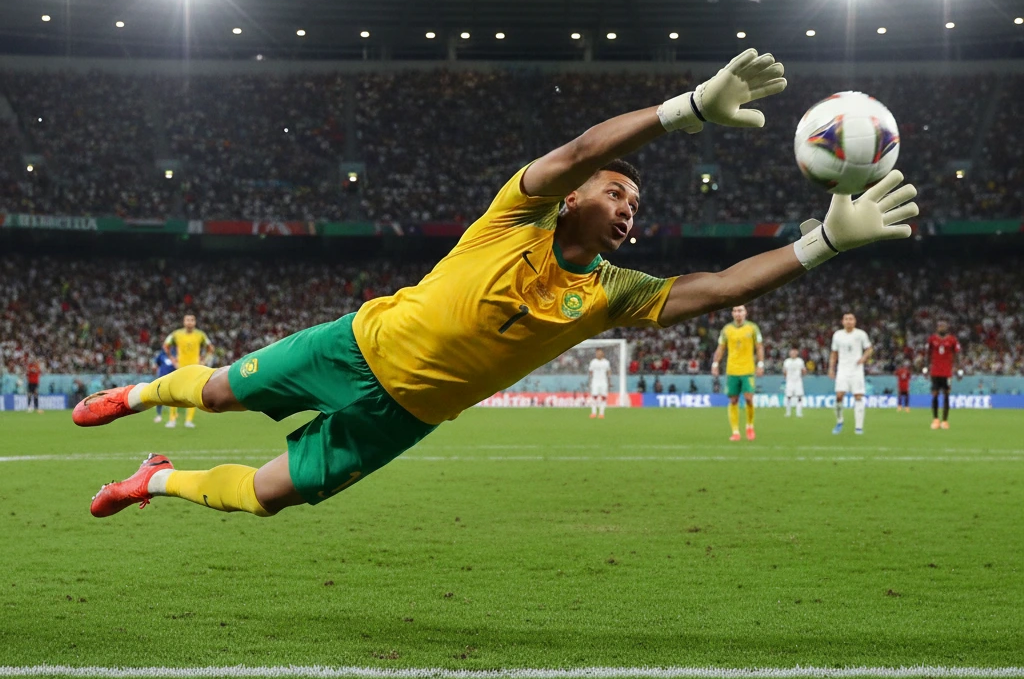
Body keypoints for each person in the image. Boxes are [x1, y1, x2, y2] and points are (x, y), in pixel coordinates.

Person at [73, 48, 918, 520]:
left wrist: (823, 244)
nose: (628, 207)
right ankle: (143, 391)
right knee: (218, 393)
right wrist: (688, 108)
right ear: (579, 196)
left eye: (639, 203)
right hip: (358, 347)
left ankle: (154, 480)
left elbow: (718, 284)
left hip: (402, 417)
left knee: (263, 498)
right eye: (618, 192)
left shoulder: (613, 292)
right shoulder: (515, 218)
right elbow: (582, 150)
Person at [711, 304, 764, 441]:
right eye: (734, 310)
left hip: (747, 370)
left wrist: (761, 363)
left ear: (745, 312)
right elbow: (720, 348)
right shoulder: (727, 329)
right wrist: (715, 363)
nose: (737, 313)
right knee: (733, 400)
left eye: (740, 310)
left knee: (749, 399)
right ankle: (735, 432)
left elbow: (759, 347)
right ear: (732, 314)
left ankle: (749, 426)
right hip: (732, 370)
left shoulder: (752, 328)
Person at [162, 314, 214, 428]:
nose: (189, 322)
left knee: (192, 394)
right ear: (183, 321)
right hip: (180, 367)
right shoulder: (176, 334)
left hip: (195, 369)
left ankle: (188, 420)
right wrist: (172, 359)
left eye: (192, 320)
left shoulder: (200, 335)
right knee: (174, 394)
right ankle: (172, 419)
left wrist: (204, 360)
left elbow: (211, 348)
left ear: (195, 322)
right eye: (187, 320)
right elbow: (166, 345)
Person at [829, 312, 872, 435]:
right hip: (842, 370)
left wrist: (864, 358)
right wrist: (831, 368)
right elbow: (834, 353)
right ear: (842, 321)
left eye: (851, 319)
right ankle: (839, 421)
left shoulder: (860, 334)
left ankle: (859, 427)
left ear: (855, 321)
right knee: (839, 396)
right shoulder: (837, 335)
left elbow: (869, 348)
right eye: (846, 319)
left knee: (858, 396)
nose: (848, 321)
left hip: (856, 370)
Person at [924, 319, 960, 430]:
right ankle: (935, 419)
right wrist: (925, 367)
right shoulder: (932, 339)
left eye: (943, 326)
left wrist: (958, 368)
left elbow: (956, 355)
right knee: (935, 394)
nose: (941, 328)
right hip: (935, 371)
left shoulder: (952, 340)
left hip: (947, 372)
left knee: (946, 395)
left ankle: (945, 420)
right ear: (937, 327)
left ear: (947, 327)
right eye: (940, 326)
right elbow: (928, 354)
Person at [150, 346, 177, 424]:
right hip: (161, 380)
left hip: (172, 380)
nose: (166, 349)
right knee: (159, 397)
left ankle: (173, 416)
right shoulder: (161, 355)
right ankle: (159, 415)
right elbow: (156, 364)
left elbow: (177, 366)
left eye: (168, 347)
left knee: (173, 398)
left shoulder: (174, 355)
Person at [782, 347, 806, 418]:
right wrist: (787, 378)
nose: (792, 354)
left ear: (797, 353)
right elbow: (784, 371)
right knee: (788, 396)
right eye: (791, 352)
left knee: (799, 396)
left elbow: (803, 370)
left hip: (798, 381)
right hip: (789, 381)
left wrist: (800, 377)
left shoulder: (800, 361)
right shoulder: (787, 361)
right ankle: (788, 412)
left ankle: (799, 412)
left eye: (794, 352)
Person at [588, 347, 611, 419]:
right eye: (597, 353)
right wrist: (591, 380)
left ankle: (601, 413)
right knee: (594, 397)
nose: (598, 354)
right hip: (595, 382)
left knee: (603, 397)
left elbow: (608, 372)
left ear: (603, 354)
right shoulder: (593, 362)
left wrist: (609, 381)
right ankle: (593, 413)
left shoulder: (606, 362)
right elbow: (590, 372)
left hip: (604, 382)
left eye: (600, 353)